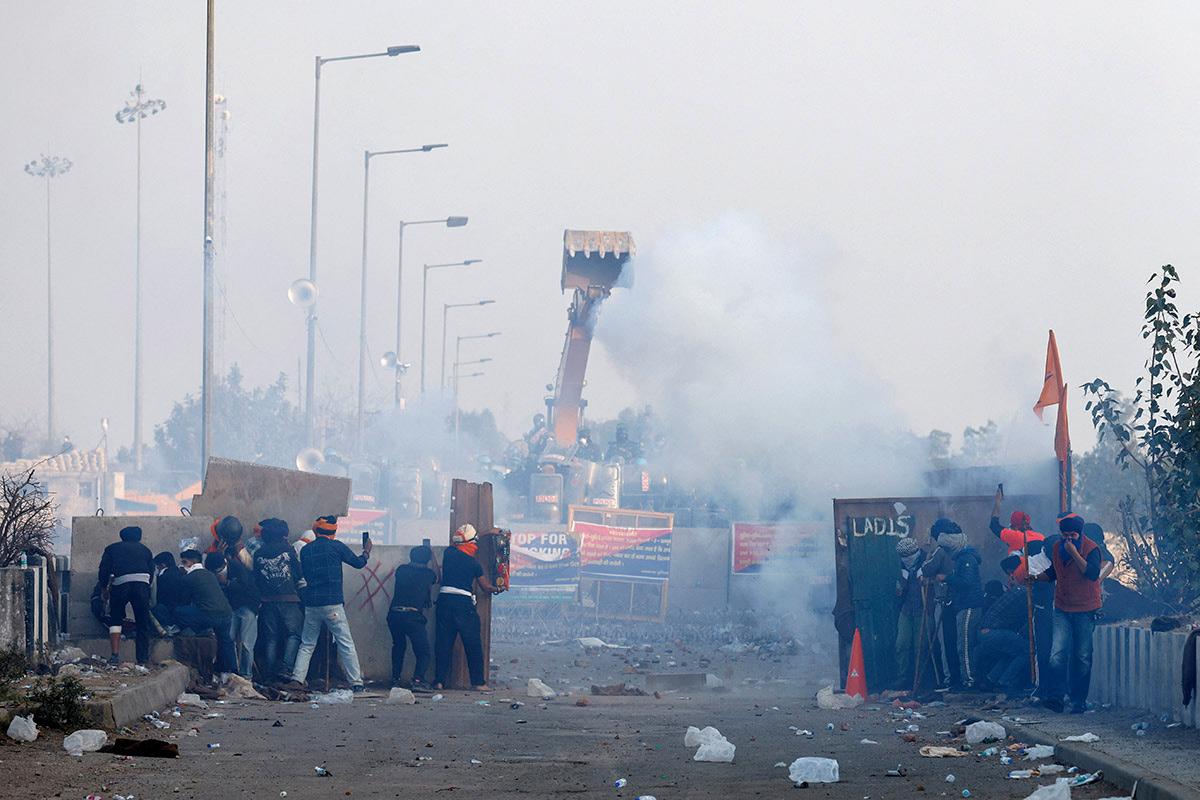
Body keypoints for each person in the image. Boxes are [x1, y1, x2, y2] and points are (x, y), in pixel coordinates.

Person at [1029, 514, 1103, 713]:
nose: (1069, 540)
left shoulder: (1091, 549)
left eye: (1073, 536)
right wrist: (1035, 577)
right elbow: (1054, 572)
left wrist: (1074, 553)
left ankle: (1078, 700)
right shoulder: (1056, 548)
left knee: (1082, 656)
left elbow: (1092, 573)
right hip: (1062, 607)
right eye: (1065, 536)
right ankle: (1056, 698)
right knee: (1057, 654)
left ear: (1080, 533)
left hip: (1085, 608)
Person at [291, 516, 371, 692]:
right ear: (333, 533)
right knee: (345, 642)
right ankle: (356, 683)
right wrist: (366, 552)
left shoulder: (305, 550)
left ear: (316, 531)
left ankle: (297, 678)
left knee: (307, 643)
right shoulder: (337, 547)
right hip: (332, 603)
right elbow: (358, 564)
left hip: (311, 603)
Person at [434, 524, 502, 691]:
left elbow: (463, 541)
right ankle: (478, 683)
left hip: (444, 602)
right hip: (463, 605)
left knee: (443, 644)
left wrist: (485, 532)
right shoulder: (474, 564)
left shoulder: (448, 554)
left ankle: (438, 681)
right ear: (470, 544)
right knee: (473, 644)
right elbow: (486, 587)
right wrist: (499, 587)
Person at [158, 549, 237, 678]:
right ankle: (231, 673)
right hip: (226, 613)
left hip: (209, 615)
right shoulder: (210, 574)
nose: (182, 565)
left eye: (184, 562)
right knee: (225, 642)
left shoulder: (189, 578)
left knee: (178, 611)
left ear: (192, 562)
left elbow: (183, 601)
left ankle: (187, 630)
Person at [253, 518, 305, 682]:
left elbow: (256, 578)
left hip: (267, 601)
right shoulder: (288, 550)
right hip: (289, 598)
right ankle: (287, 668)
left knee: (271, 637)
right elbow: (298, 573)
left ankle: (268, 674)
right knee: (294, 634)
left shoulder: (259, 553)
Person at [97, 526, 155, 666]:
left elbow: (104, 570)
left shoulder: (111, 549)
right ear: (138, 537)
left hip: (121, 584)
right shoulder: (146, 550)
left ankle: (115, 655)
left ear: (122, 536)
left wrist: (104, 587)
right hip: (142, 585)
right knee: (142, 622)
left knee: (116, 619)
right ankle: (142, 659)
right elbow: (151, 572)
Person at [388, 544, 438, 688]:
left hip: (394, 614)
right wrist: (433, 555)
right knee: (423, 651)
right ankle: (417, 680)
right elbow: (437, 576)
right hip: (412, 616)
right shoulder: (428, 574)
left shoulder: (401, 570)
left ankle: (395, 679)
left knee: (398, 646)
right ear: (427, 560)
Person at [974, 572, 1033, 695]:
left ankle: (990, 680)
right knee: (1027, 650)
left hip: (985, 633)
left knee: (1012, 651)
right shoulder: (1026, 594)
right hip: (994, 632)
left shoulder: (1017, 590)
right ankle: (1005, 682)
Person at [918, 518, 960, 689]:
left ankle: (949, 679)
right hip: (960, 601)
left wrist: (929, 551)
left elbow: (926, 569)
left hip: (944, 601)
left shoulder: (941, 551)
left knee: (945, 642)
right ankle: (960, 677)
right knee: (957, 642)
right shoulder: (962, 546)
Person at [940, 528, 983, 690]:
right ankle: (968, 678)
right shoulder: (963, 558)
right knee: (965, 643)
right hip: (965, 605)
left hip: (968, 605)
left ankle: (969, 680)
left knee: (964, 644)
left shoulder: (966, 559)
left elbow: (966, 582)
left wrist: (947, 578)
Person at [213, 537, 260, 680]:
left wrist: (227, 583)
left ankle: (247, 676)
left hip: (247, 607)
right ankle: (232, 672)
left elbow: (245, 587)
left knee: (246, 643)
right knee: (229, 639)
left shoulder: (237, 567)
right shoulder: (217, 566)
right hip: (231, 608)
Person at [893, 537, 926, 690]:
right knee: (902, 643)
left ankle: (921, 678)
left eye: (909, 556)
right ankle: (902, 676)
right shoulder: (902, 567)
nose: (907, 560)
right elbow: (899, 591)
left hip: (923, 610)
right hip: (906, 610)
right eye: (903, 557)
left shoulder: (926, 562)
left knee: (920, 645)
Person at [151, 552, 189, 634]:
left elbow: (159, 597)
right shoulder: (181, 574)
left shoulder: (163, 577)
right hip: (182, 615)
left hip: (168, 613)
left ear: (163, 565)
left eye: (157, 566)